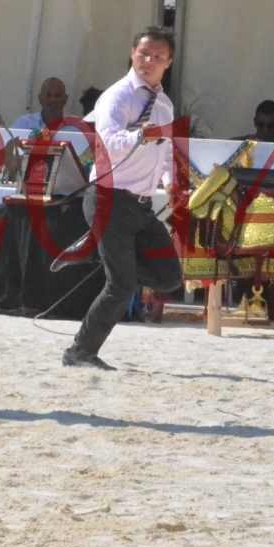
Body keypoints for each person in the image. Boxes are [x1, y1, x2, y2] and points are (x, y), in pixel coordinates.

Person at [63, 28, 184, 370]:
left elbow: (166, 151)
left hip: (141, 204)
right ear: (132, 53)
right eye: (144, 54)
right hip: (108, 199)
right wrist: (139, 136)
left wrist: (170, 182)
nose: (150, 62)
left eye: (158, 57)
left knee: (169, 276)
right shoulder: (116, 97)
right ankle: (80, 352)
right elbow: (109, 145)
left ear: (168, 62)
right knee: (122, 285)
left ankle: (107, 256)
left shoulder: (163, 105)